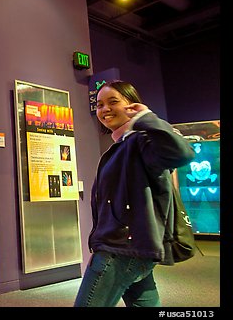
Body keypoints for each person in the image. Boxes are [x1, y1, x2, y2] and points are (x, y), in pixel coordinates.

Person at [74, 80, 195, 307]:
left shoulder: (141, 140)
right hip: (129, 247)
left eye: (113, 102)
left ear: (132, 105)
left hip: (120, 250)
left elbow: (182, 153)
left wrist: (146, 117)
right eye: (99, 105)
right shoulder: (122, 144)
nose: (104, 109)